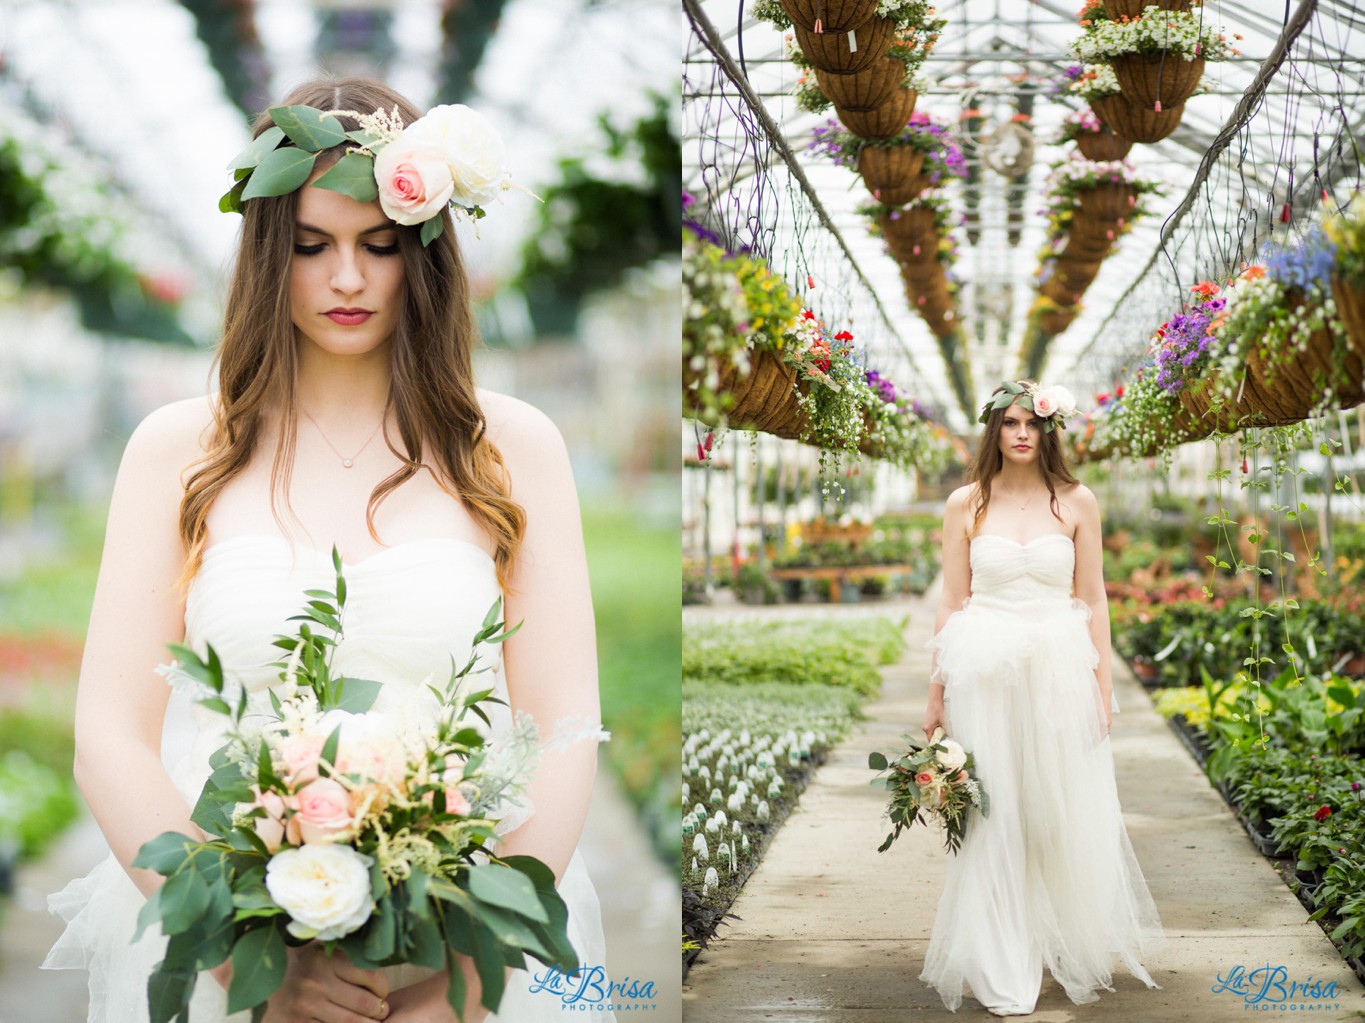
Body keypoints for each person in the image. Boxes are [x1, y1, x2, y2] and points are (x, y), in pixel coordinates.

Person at [42, 76, 615, 1023]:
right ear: (268, 256)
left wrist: (463, 981)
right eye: (310, 247)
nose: (346, 278)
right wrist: (248, 969)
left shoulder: (511, 449)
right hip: (236, 927)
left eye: (377, 246)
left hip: (471, 936)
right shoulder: (177, 450)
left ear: (424, 251)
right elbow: (108, 736)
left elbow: (560, 728)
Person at [917, 380, 1165, 1016]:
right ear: (993, 431)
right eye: (1010, 423)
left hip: (1058, 667)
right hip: (984, 668)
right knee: (993, 811)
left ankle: (1053, 936)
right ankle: (1002, 958)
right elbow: (951, 600)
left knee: (1054, 813)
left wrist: (1102, 684)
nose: (1021, 433)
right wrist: (936, 689)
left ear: (1049, 431)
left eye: (1032, 422)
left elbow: (1095, 597)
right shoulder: (965, 504)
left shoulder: (1077, 502)